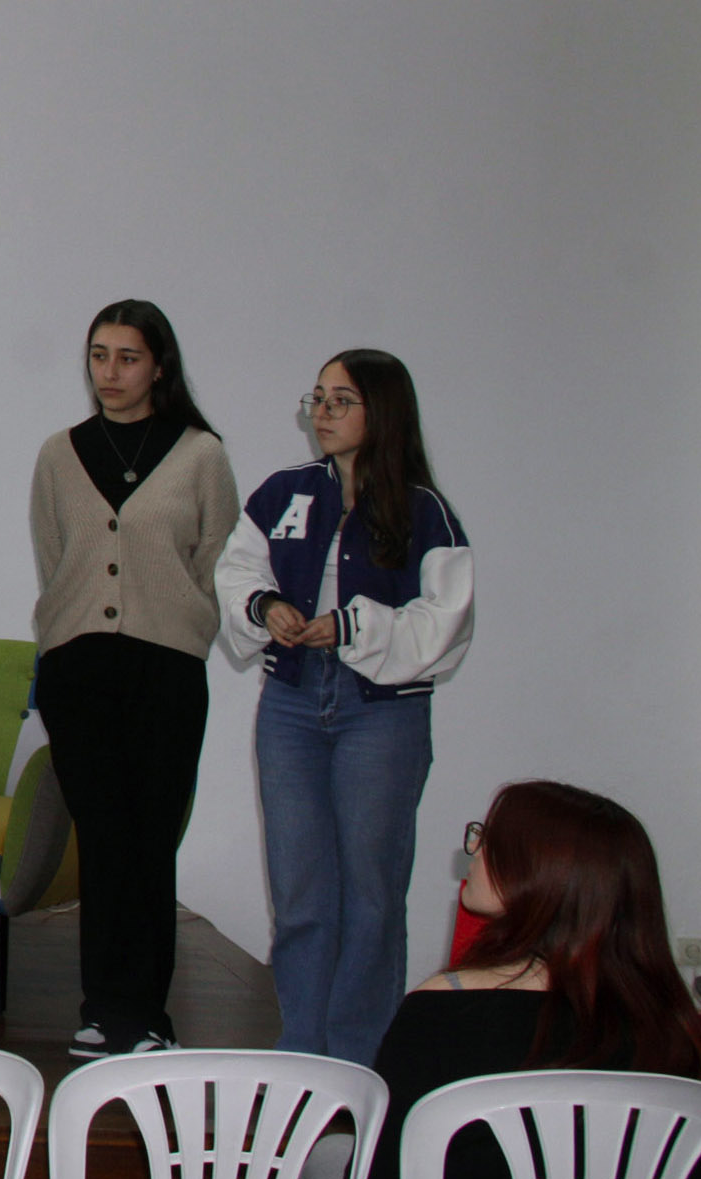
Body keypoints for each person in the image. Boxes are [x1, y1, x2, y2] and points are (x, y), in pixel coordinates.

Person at [217, 348, 473, 1063]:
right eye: (317, 399)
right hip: (292, 702)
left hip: (381, 711)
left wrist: (354, 627)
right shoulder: (285, 493)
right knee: (300, 889)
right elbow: (237, 571)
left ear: (381, 411)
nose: (322, 414)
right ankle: (303, 1050)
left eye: (340, 401)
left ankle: (359, 1060)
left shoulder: (424, 511)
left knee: (371, 894)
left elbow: (446, 622)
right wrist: (264, 606)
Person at [28, 299, 239, 1058]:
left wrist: (179, 623)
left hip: (165, 668)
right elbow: (56, 558)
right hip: (79, 668)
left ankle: (146, 1015)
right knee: (104, 840)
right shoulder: (60, 454)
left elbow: (217, 562)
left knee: (150, 840)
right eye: (99, 356)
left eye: (127, 358)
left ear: (158, 367)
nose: (110, 372)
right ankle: (101, 1009)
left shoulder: (201, 455)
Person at [361, 783, 701, 1179]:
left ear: (539, 873)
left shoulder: (439, 1013)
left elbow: (382, 1175)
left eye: (489, 838)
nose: (473, 849)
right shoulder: (676, 1025)